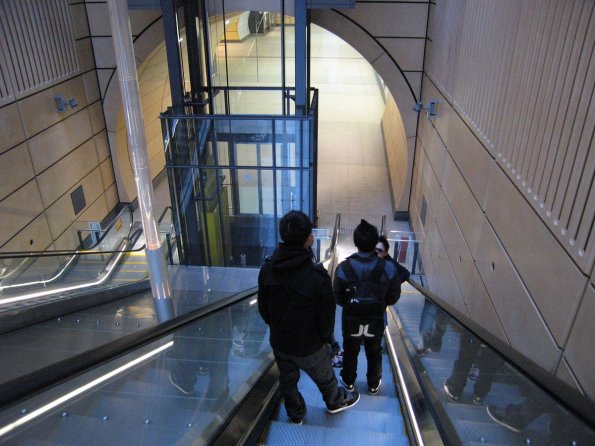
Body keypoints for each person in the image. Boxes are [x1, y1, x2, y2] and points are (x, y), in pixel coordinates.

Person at [258, 210, 359, 424]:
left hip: (280, 342)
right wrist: (326, 340)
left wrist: (277, 326)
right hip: (310, 345)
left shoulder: (267, 269)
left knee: (288, 381)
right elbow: (326, 318)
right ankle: (335, 402)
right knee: (325, 378)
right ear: (309, 238)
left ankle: (296, 414)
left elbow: (263, 309)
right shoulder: (317, 277)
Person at [334, 220, 402, 395]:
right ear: (375, 243)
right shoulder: (388, 268)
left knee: (350, 349)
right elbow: (393, 297)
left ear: (356, 242)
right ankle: (373, 383)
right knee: (374, 350)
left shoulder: (343, 268)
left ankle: (348, 381)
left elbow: (338, 297)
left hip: (351, 320)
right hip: (376, 319)